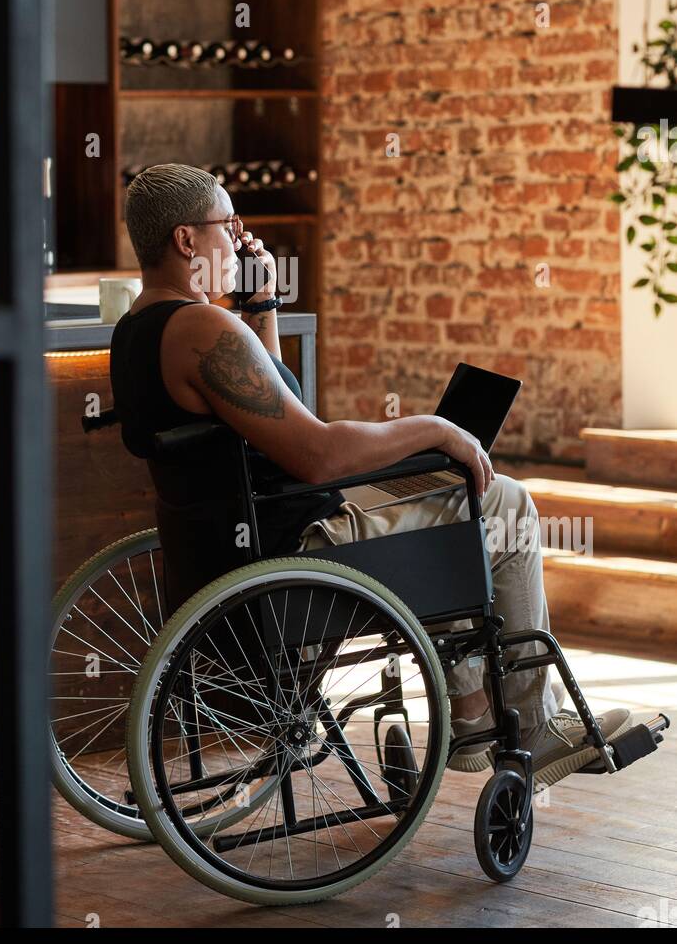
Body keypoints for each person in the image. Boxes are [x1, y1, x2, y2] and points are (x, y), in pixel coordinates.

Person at [110, 162, 633, 789]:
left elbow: (280, 407)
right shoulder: (202, 328)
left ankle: (470, 713)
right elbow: (318, 452)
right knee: (503, 504)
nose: (240, 236)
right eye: (228, 223)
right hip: (297, 555)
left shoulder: (139, 329)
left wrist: (262, 304)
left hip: (242, 542)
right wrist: (435, 430)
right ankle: (525, 721)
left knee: (442, 495)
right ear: (186, 241)